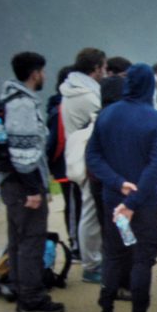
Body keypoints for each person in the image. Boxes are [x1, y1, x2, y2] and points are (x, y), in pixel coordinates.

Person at [85, 63, 157, 312]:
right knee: (143, 258)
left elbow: (93, 157)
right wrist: (132, 202)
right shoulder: (156, 120)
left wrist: (117, 183)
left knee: (114, 254)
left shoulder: (107, 115)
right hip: (142, 203)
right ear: (150, 87)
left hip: (113, 200)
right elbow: (155, 167)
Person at [0, 52, 65, 312]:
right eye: (42, 71)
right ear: (35, 72)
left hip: (12, 184)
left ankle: (19, 289)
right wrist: (34, 190)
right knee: (31, 241)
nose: (44, 76)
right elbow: (23, 152)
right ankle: (32, 299)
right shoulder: (23, 104)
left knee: (18, 239)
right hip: (24, 185)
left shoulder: (8, 99)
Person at [60, 47, 105, 284]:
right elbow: (103, 120)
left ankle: (93, 259)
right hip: (88, 157)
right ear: (96, 68)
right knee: (90, 213)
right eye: (103, 67)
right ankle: (91, 264)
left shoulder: (72, 91)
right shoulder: (87, 96)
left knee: (90, 210)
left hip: (79, 154)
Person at [45, 65, 81, 263]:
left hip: (64, 164)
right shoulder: (63, 107)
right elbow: (57, 140)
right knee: (74, 206)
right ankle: (76, 247)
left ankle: (77, 243)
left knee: (73, 205)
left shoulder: (56, 105)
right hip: (68, 165)